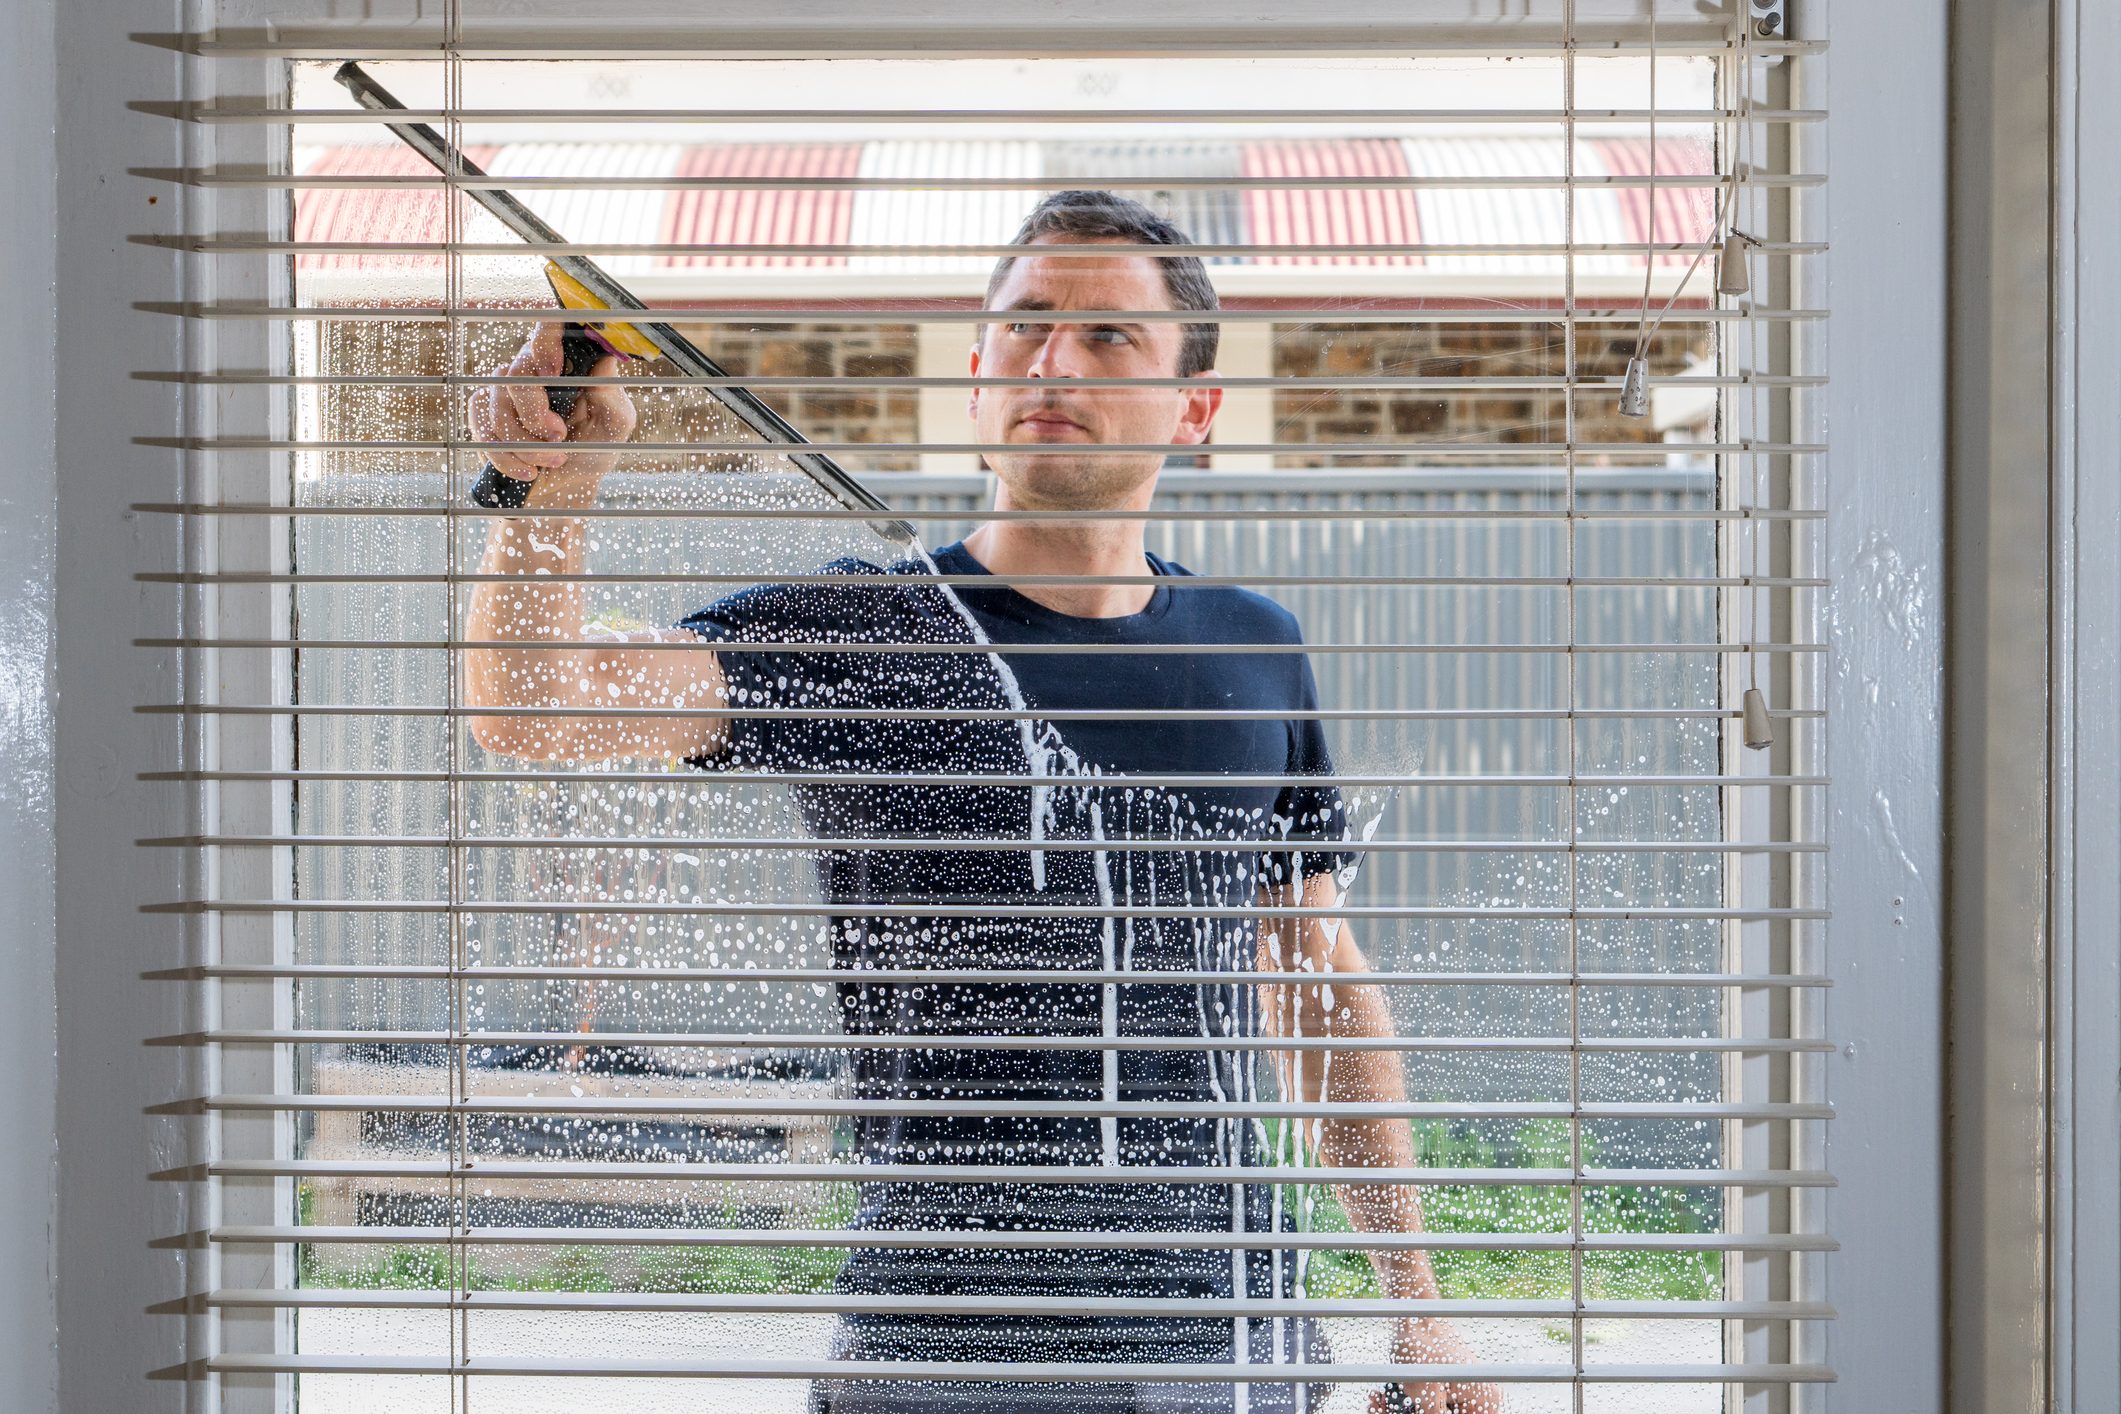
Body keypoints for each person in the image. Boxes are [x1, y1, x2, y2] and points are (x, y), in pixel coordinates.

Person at [464, 190, 1501, 1414]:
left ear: (1198, 407)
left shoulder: (1256, 643)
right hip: (944, 1359)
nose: (1053, 358)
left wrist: (1416, 1305)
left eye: (1109, 336)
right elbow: (537, 704)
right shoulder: (866, 631)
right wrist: (553, 482)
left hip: (1234, 1355)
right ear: (976, 377)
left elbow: (1317, 978)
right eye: (1024, 326)